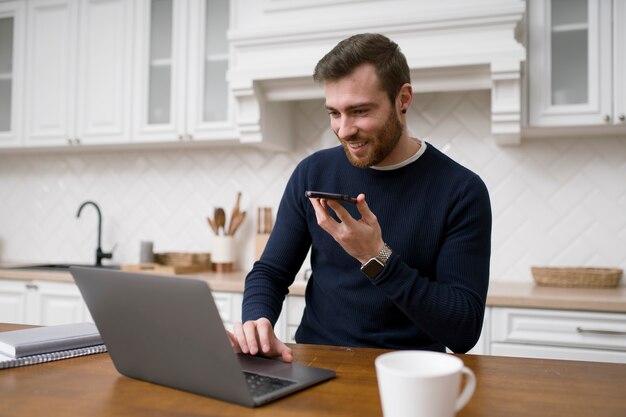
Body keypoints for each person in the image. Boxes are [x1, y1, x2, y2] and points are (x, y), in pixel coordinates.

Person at [227, 33, 492, 363]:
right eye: (334, 113)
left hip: (410, 374)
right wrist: (258, 321)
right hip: (315, 363)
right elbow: (271, 272)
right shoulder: (312, 173)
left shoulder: (462, 191)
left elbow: (464, 330)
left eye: (359, 111)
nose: (343, 129)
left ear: (403, 98)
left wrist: (376, 257)